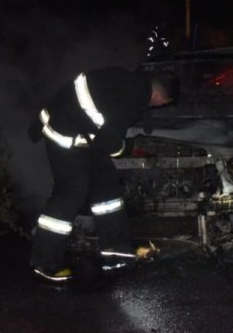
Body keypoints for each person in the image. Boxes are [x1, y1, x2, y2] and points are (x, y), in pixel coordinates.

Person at [27, 67, 179, 282]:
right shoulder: (130, 98)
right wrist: (128, 148)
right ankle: (45, 263)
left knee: (107, 191)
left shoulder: (131, 82)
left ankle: (116, 254)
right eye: (164, 103)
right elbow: (110, 143)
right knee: (70, 195)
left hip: (85, 136)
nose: (162, 106)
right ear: (158, 95)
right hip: (66, 137)